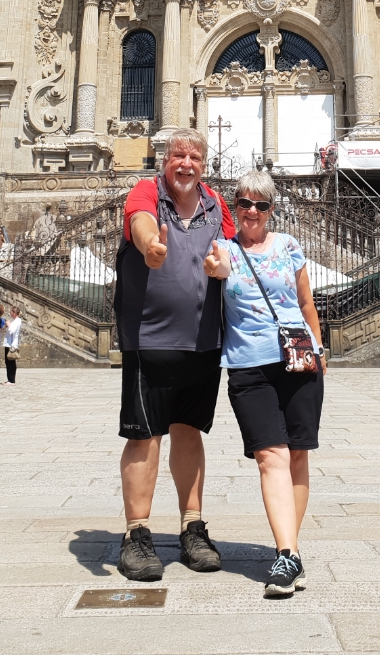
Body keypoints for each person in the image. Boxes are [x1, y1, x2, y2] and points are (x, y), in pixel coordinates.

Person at [113, 129, 236, 582]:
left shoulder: (216, 204)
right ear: (165, 161)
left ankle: (192, 527)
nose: (186, 163)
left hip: (203, 342)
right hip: (150, 342)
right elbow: (141, 221)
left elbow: (231, 254)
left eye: (195, 156)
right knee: (144, 436)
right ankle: (137, 534)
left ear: (204, 163)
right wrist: (150, 247)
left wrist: (223, 265)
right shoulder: (148, 192)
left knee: (189, 433)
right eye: (178, 155)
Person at [203, 169, 325, 598]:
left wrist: (320, 350)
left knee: (297, 456)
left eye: (261, 205)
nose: (251, 212)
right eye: (244, 203)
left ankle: (287, 553)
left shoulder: (290, 246)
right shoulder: (224, 250)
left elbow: (306, 302)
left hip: (298, 359)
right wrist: (213, 269)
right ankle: (288, 552)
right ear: (234, 207)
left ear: (272, 209)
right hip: (248, 366)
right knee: (269, 456)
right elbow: (211, 271)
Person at [3, 306, 22, 384]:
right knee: (8, 362)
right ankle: (9, 379)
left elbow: (12, 330)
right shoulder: (15, 321)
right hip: (8, 343)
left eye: (11, 312)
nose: (10, 313)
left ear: (14, 312)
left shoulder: (18, 321)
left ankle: (11, 380)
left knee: (11, 362)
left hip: (11, 344)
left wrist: (8, 324)